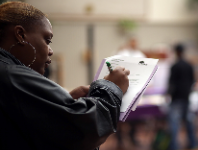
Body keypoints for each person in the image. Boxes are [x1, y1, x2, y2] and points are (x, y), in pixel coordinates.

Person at [0, 2, 130, 150]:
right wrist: (111, 87)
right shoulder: (11, 76)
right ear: (20, 35)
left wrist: (61, 106)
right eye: (47, 40)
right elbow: (86, 130)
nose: (50, 51)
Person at [166, 43, 197, 150]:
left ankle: (174, 146)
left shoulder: (175, 66)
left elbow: (171, 83)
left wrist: (168, 95)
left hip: (176, 99)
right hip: (186, 97)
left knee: (174, 125)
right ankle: (193, 144)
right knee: (189, 123)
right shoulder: (189, 65)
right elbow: (194, 80)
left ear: (176, 52)